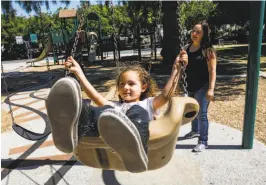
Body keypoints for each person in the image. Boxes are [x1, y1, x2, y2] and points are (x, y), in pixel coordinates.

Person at [46, 51, 188, 172]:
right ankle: (71, 128)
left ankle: (133, 145)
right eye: (122, 84)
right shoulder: (114, 107)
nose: (125, 87)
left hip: (141, 141)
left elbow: (165, 95)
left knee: (135, 111)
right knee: (96, 110)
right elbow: (94, 95)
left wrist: (177, 69)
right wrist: (78, 73)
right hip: (105, 132)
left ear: (144, 87)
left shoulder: (148, 104)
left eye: (131, 84)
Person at [183, 20, 217, 152]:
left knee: (201, 114)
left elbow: (212, 71)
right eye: (193, 31)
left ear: (204, 34)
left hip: (203, 86)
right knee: (192, 110)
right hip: (190, 85)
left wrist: (211, 89)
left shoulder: (208, 51)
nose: (194, 34)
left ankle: (203, 141)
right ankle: (194, 131)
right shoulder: (187, 48)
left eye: (198, 32)